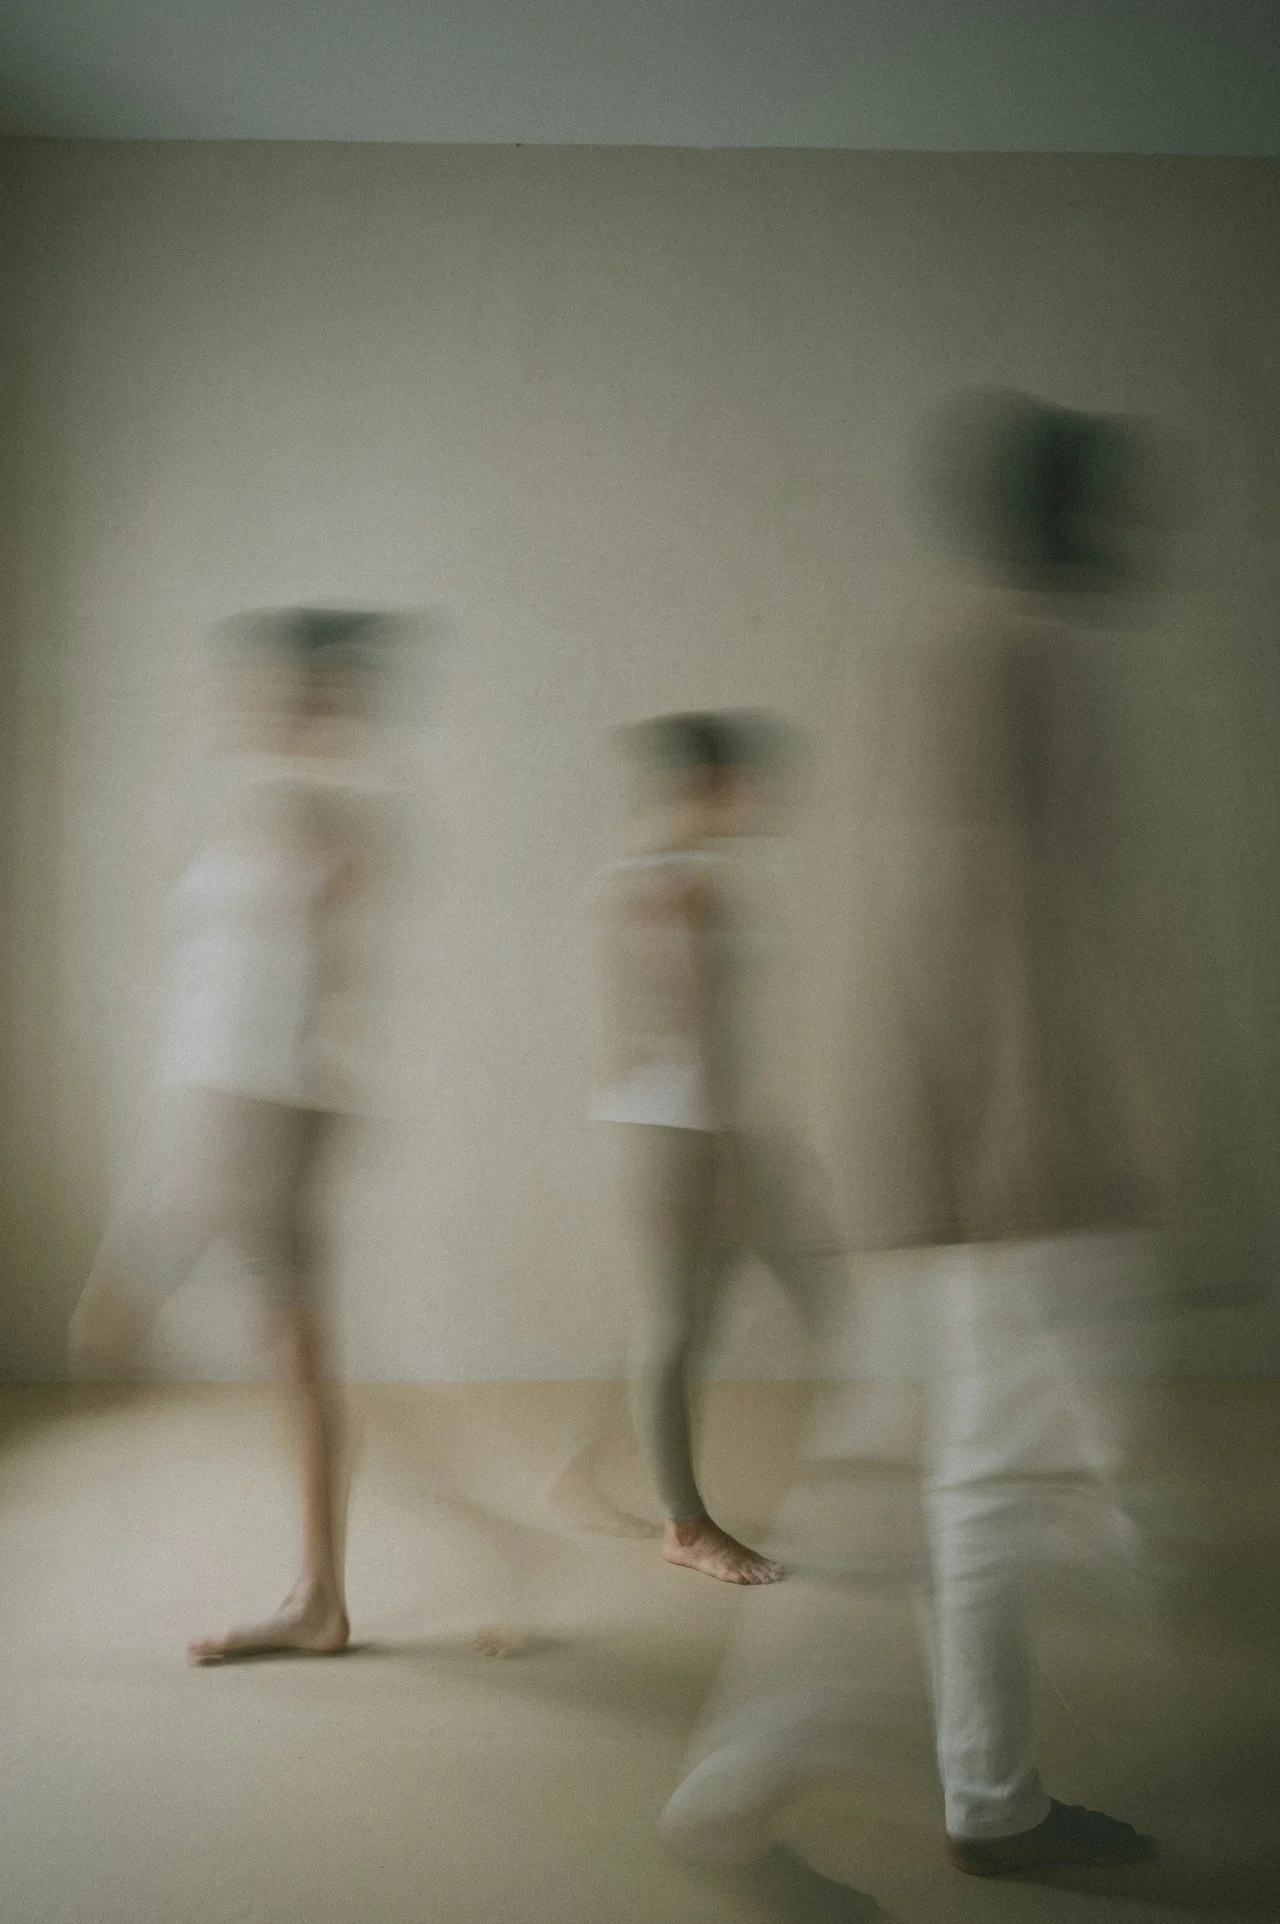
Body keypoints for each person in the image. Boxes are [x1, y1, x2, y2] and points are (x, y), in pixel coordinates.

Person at [660, 396, 1169, 1881]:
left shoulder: (947, 657)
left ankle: (954, 1796)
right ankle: (764, 1797)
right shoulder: (1032, 665)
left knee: (946, 1489)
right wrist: (1030, 1164)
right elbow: (997, 929)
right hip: (1007, 1169)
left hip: (944, 1160)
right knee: (978, 1494)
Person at [69, 605, 401, 1663]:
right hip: (243, 1096)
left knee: (139, 1327)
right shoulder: (251, 795)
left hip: (260, 1101)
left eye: (300, 686)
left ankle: (335, 1586)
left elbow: (303, 967)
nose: (274, 704)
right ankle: (322, 1597)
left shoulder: (324, 803)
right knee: (293, 1350)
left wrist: (164, 1222)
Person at [588, 711, 844, 1585]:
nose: (759, 801)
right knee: (679, 1323)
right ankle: (686, 1526)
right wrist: (736, 1154)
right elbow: (691, 1030)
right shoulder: (677, 887)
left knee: (688, 1316)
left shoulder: (670, 875)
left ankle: (583, 1467)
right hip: (681, 1133)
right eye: (744, 784)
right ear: (707, 785)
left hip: (700, 1125)